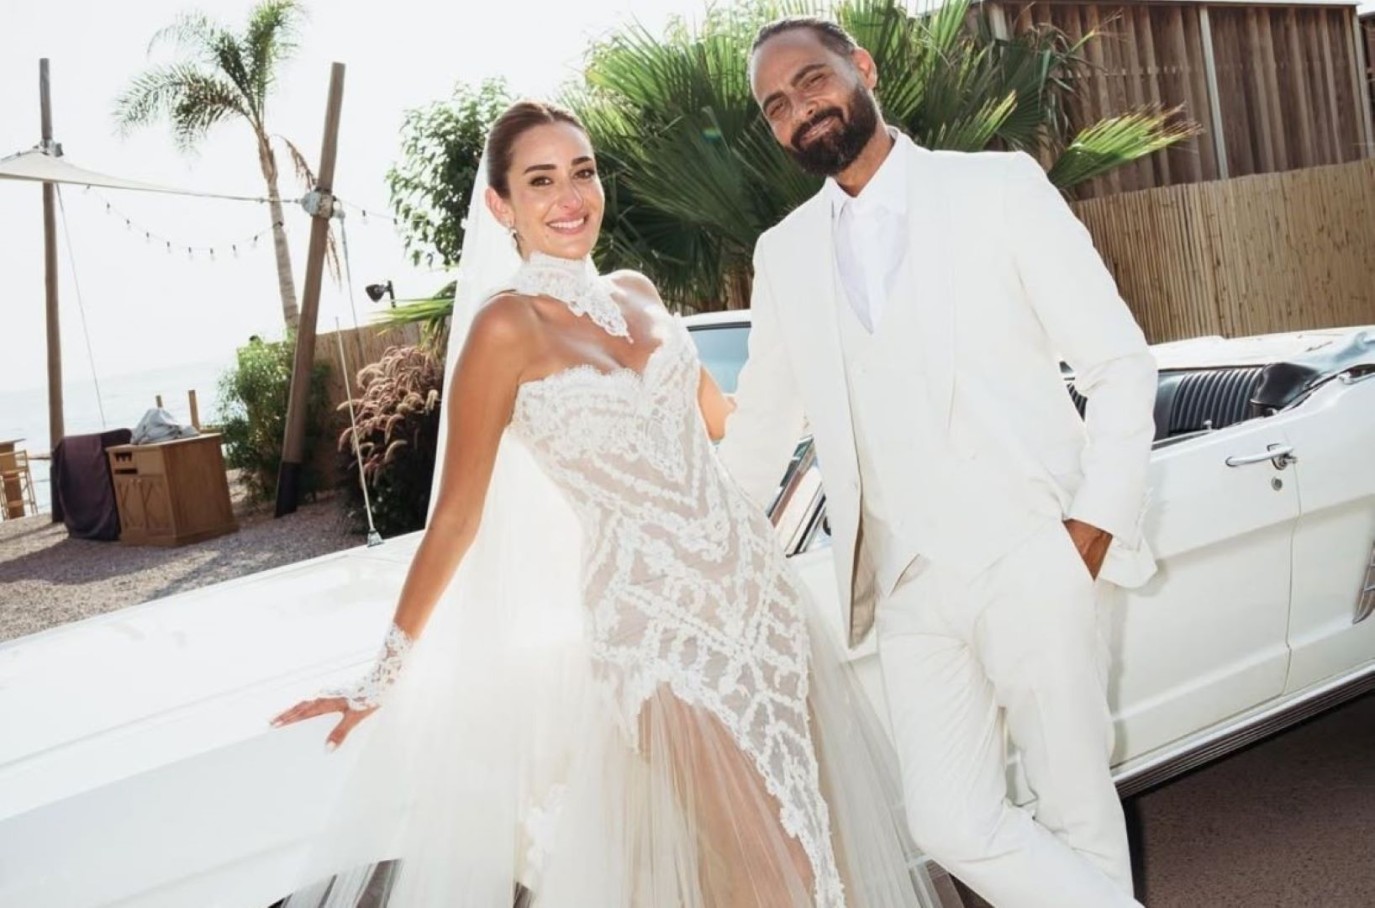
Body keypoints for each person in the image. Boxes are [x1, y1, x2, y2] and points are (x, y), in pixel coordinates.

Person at [271, 100, 950, 908]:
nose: (569, 197)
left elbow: (725, 426)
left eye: (582, 172)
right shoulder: (504, 328)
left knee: (816, 855)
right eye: (540, 180)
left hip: (760, 599)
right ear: (501, 206)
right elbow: (455, 517)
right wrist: (381, 675)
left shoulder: (637, 292)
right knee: (777, 877)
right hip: (657, 633)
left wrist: (863, 401)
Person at [720, 17, 1159, 908]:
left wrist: (1090, 529)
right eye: (776, 105)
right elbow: (760, 428)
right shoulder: (784, 253)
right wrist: (692, 542)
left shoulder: (996, 188)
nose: (799, 109)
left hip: (1033, 548)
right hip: (907, 582)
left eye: (812, 80)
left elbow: (1117, 363)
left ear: (861, 67)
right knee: (948, 821)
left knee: (1073, 805)